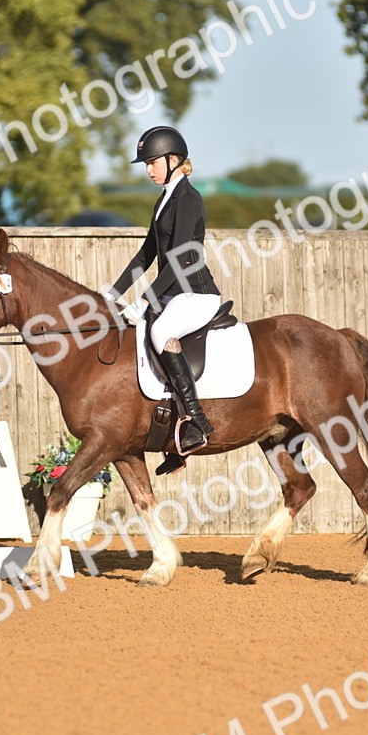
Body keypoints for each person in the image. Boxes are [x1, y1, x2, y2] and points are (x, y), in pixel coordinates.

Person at [107, 126, 222, 476]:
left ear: (174, 161)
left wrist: (145, 299)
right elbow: (147, 255)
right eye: (146, 163)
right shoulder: (163, 200)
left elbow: (179, 259)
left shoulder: (189, 199)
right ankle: (168, 430)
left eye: (152, 161)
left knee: (161, 334)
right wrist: (111, 293)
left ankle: (197, 421)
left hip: (196, 294)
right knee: (139, 335)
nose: (148, 169)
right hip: (173, 294)